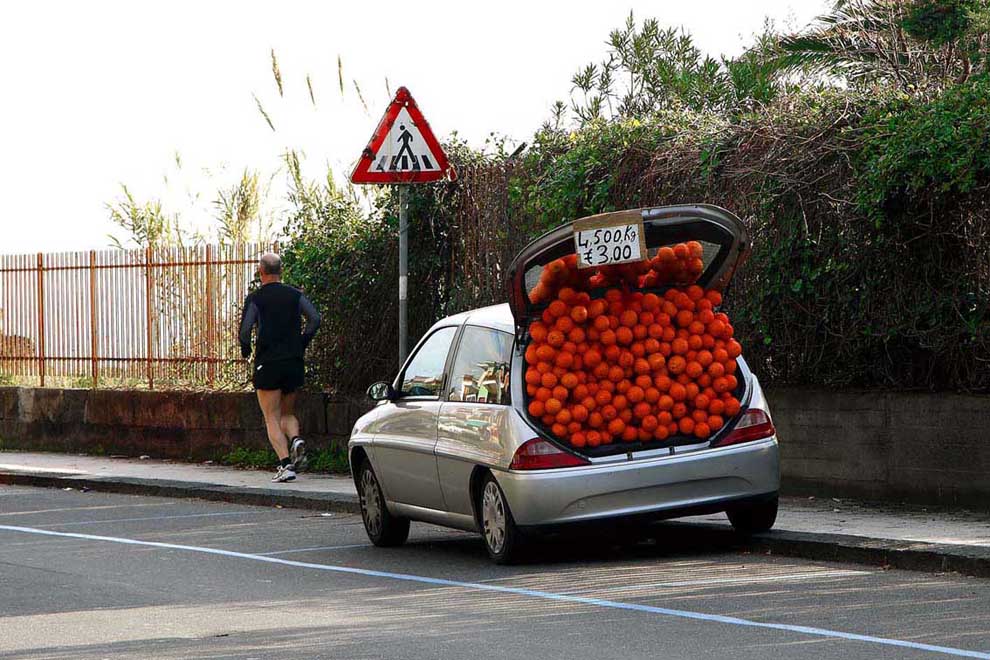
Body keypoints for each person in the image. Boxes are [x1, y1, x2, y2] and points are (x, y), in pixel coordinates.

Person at [239, 253, 321, 483]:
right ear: (281, 271)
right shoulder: (295, 295)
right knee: (287, 413)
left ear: (261, 272)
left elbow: (246, 331)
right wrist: (302, 342)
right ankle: (295, 439)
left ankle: (286, 465)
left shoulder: (257, 298)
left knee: (271, 417)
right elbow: (314, 318)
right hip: (293, 362)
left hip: (269, 363)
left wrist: (246, 349)